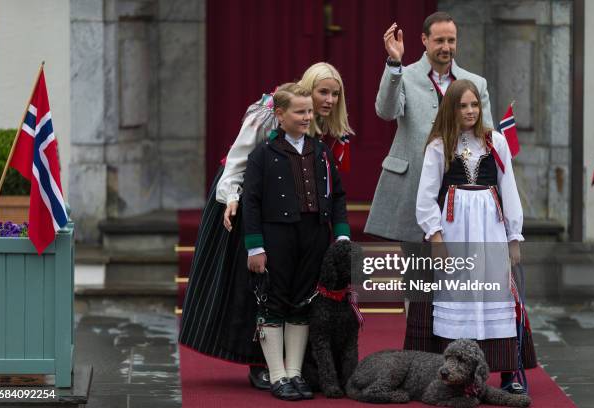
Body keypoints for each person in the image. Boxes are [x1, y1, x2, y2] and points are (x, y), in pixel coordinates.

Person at [179, 62, 353, 390]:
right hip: (246, 196)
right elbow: (238, 161)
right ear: (306, 89)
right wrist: (231, 199)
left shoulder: (328, 125)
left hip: (297, 214)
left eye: (335, 93)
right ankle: (261, 362)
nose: (329, 99)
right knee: (254, 288)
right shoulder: (270, 111)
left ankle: (296, 365)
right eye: (323, 92)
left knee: (297, 290)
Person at [415, 79, 536, 392]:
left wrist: (514, 236)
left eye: (474, 105)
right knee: (458, 292)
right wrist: (436, 237)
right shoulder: (440, 144)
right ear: (451, 109)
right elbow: (426, 196)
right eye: (462, 105)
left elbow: (508, 190)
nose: (469, 111)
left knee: (496, 291)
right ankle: (455, 371)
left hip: (491, 230)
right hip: (455, 230)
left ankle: (508, 370)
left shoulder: (495, 141)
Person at [242, 82, 350, 401]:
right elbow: (251, 200)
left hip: (314, 234)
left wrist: (341, 233)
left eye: (309, 112)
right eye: (300, 112)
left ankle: (295, 373)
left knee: (303, 301)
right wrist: (255, 246)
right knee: (274, 301)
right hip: (276, 235)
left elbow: (339, 195)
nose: (306, 118)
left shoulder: (321, 151)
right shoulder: (265, 153)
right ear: (280, 114)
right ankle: (277, 375)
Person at [365, 11, 493, 242]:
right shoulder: (404, 75)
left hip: (460, 191)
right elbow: (386, 111)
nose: (446, 46)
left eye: (451, 40)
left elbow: (487, 135)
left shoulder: (476, 83)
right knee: (416, 269)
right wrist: (395, 63)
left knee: (458, 271)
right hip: (413, 183)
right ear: (424, 40)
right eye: (439, 40)